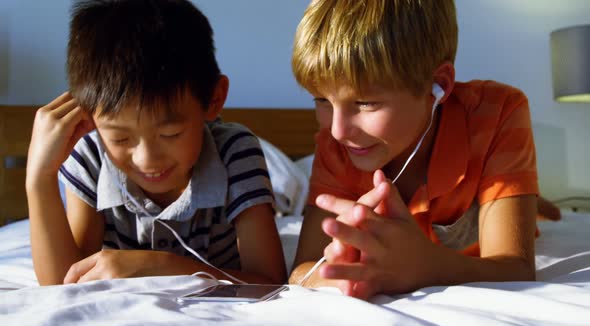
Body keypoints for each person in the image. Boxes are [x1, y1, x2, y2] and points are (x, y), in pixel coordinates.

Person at [289, 0, 540, 299]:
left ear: (437, 86)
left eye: (365, 102)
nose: (337, 131)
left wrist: (427, 266)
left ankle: (537, 205)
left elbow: (517, 269)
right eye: (322, 100)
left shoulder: (498, 112)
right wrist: (346, 277)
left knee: (535, 214)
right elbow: (301, 271)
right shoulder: (335, 146)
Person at [26, 0, 286, 286]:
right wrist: (39, 179)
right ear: (89, 117)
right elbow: (62, 285)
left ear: (213, 99)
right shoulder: (90, 155)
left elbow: (269, 284)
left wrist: (161, 265)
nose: (146, 159)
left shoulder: (235, 152)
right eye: (120, 138)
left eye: (170, 134)